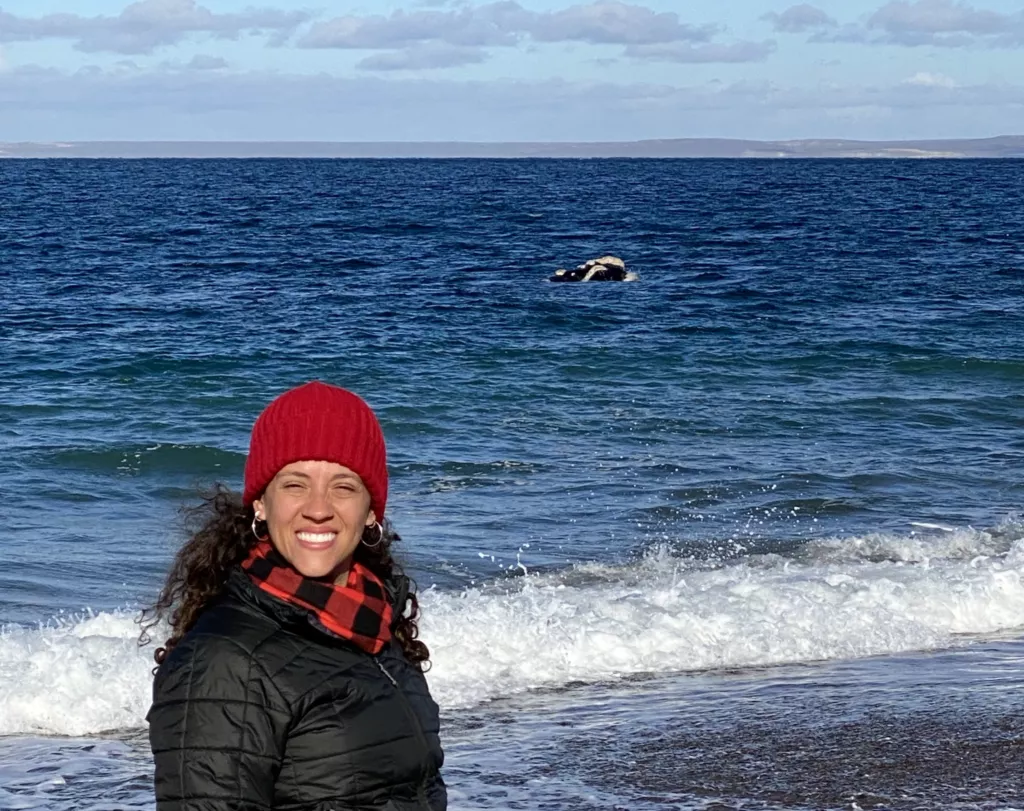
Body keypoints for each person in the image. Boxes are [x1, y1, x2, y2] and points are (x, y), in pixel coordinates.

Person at [143, 381, 446, 811]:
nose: (318, 508)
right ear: (261, 504)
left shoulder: (373, 623)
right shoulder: (226, 661)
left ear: (372, 509)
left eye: (343, 487)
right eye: (294, 485)